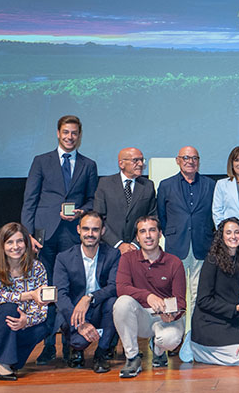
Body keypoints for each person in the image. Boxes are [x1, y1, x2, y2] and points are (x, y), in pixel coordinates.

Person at [21, 115, 97, 364]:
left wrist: (82, 212)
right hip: (44, 236)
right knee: (48, 290)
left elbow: (92, 200)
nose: (69, 137)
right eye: (66, 132)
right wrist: (27, 234)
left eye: (74, 133)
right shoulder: (41, 161)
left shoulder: (88, 165)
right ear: (57, 133)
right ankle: (48, 345)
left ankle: (71, 344)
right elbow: (30, 199)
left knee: (72, 289)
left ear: (80, 135)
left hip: (73, 234)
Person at [0, 222, 50, 381]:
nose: (16, 246)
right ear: (2, 245)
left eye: (20, 241)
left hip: (18, 323)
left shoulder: (38, 268)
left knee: (45, 325)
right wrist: (27, 295)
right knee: (8, 309)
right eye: (10, 242)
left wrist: (27, 321)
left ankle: (12, 362)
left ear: (26, 243)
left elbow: (42, 308)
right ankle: (2, 363)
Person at [113, 216, 186, 378]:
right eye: (143, 232)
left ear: (160, 234)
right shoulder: (127, 259)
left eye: (152, 230)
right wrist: (148, 296)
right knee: (122, 303)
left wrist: (174, 314)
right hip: (141, 317)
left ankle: (158, 350)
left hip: (165, 318)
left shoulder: (174, 262)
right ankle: (132, 358)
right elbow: (121, 288)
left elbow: (180, 300)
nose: (148, 235)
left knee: (171, 339)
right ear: (137, 237)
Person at [179, 217, 239, 366]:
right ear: (221, 236)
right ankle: (194, 347)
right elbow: (203, 300)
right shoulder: (212, 261)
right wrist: (234, 308)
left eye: (237, 232)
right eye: (229, 233)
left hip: (231, 320)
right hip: (209, 320)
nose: (233, 236)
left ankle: (200, 348)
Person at [53, 212, 120, 373]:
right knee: (78, 342)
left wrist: (89, 298)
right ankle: (75, 348)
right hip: (75, 312)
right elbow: (60, 294)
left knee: (115, 303)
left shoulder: (113, 254)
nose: (90, 234)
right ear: (78, 230)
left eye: (95, 230)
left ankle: (101, 353)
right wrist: (80, 324)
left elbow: (114, 286)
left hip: (99, 308)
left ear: (102, 231)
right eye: (86, 229)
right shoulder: (63, 258)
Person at [157, 146, 216, 320]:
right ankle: (174, 335)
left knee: (199, 293)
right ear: (178, 160)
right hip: (176, 246)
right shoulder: (166, 185)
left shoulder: (210, 185)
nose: (190, 161)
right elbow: (161, 214)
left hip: (202, 245)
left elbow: (214, 214)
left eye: (194, 158)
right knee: (174, 292)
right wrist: (172, 234)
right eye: (186, 158)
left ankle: (195, 335)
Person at [95, 147, 157, 254]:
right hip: (109, 248)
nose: (140, 164)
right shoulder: (104, 184)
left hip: (138, 249)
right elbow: (98, 218)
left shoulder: (148, 185)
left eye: (142, 160)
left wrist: (135, 244)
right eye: (135, 160)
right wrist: (118, 244)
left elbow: (152, 217)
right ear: (121, 164)